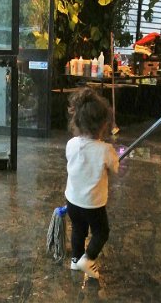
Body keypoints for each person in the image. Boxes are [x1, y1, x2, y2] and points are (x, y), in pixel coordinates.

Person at [65, 88, 119, 279]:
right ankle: (88, 259)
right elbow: (115, 168)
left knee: (78, 229)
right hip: (93, 204)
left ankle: (75, 260)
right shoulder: (106, 149)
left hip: (72, 200)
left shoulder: (71, 144)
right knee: (101, 232)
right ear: (103, 125)